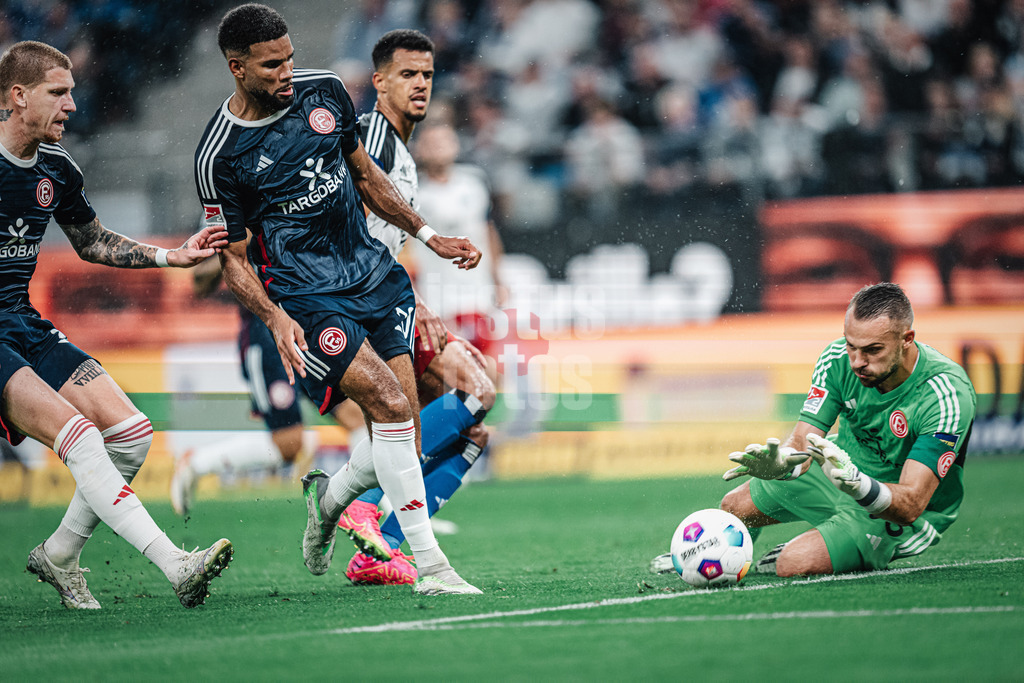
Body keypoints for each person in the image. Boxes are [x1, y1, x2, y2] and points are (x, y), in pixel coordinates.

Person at [195, 4, 482, 595]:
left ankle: (331, 496)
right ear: (236, 68)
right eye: (271, 65)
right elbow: (233, 259)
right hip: (307, 296)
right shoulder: (219, 155)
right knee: (393, 408)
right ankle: (431, 568)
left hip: (374, 276)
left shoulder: (324, 94)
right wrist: (274, 316)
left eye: (290, 59)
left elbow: (368, 178)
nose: (286, 73)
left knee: (404, 430)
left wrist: (429, 238)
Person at [0, 40, 234, 610]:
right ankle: (175, 564)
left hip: (20, 322)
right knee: (77, 436)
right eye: (58, 93)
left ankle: (58, 555)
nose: (72, 105)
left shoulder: (57, 169)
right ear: (17, 96)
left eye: (73, 92)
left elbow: (92, 241)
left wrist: (168, 257)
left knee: (130, 434)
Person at [651, 282, 976, 576]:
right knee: (732, 508)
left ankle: (827, 547)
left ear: (907, 340)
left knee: (793, 563)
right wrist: (785, 466)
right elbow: (804, 439)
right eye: (852, 346)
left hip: (893, 511)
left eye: (873, 350)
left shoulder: (945, 394)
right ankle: (717, 560)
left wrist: (858, 484)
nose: (857, 361)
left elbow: (912, 504)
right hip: (836, 470)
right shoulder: (836, 359)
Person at [333, 29, 498, 587]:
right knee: (478, 391)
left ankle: (377, 552)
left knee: (464, 435)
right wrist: (408, 296)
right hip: (364, 300)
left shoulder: (398, 147)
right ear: (378, 82)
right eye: (407, 75)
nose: (421, 85)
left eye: (427, 75)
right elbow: (352, 226)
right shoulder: (372, 137)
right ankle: (363, 503)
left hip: (384, 295)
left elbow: (382, 234)